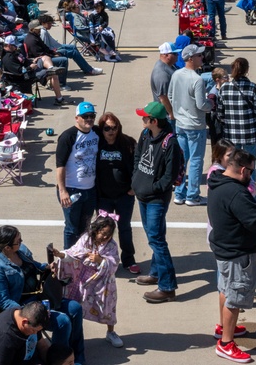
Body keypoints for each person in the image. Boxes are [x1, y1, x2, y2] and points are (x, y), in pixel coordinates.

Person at [0, 226, 85, 365]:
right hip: (24, 308)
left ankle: (76, 357)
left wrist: (46, 267)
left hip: (41, 297)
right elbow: (4, 302)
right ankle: (58, 361)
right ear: (7, 248)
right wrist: (30, 311)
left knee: (75, 308)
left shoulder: (21, 250)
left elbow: (34, 265)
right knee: (63, 322)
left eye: (20, 238)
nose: (21, 242)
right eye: (18, 241)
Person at [207, 148, 256, 364]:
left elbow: (238, 211)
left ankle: (224, 327)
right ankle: (226, 344)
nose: (251, 175)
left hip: (224, 249)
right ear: (243, 170)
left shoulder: (216, 182)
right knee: (234, 297)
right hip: (238, 254)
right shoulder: (236, 192)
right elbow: (253, 221)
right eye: (250, 171)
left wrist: (252, 207)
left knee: (225, 289)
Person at [131, 101, 180, 303]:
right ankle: (155, 272)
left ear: (154, 121)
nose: (142, 119)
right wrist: (136, 179)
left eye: (145, 117)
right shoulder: (145, 135)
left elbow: (170, 176)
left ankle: (167, 287)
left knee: (156, 239)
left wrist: (153, 187)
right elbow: (137, 158)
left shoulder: (171, 143)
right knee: (155, 235)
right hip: (142, 194)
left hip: (156, 198)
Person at [52, 213, 124, 348]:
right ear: (96, 230)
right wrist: (60, 254)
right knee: (74, 306)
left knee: (108, 306)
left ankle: (111, 332)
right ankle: (72, 330)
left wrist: (100, 260)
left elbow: (114, 263)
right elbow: (74, 253)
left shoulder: (111, 245)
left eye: (109, 234)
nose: (106, 237)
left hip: (103, 281)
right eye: (103, 233)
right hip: (81, 279)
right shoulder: (86, 239)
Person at [168, 44, 212, 206]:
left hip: (180, 124)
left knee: (182, 159)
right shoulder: (197, 79)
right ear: (190, 58)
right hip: (195, 126)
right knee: (195, 161)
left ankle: (179, 193)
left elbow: (171, 96)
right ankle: (192, 195)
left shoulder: (176, 74)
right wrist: (211, 103)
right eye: (199, 55)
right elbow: (202, 105)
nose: (202, 57)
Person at [95, 111, 138, 273]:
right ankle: (103, 259)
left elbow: (138, 166)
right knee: (102, 230)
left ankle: (128, 260)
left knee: (125, 228)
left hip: (124, 197)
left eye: (114, 128)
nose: (111, 131)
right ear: (101, 129)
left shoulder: (127, 143)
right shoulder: (97, 144)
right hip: (103, 197)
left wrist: (134, 187)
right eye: (106, 128)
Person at [56, 102, 100, 249]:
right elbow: (60, 165)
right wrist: (63, 191)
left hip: (90, 190)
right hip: (72, 190)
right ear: (77, 118)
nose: (89, 119)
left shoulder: (97, 132)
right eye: (85, 116)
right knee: (71, 228)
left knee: (85, 228)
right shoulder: (68, 136)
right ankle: (68, 260)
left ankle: (81, 258)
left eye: (92, 116)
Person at [217, 57, 256, 157]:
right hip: (250, 133)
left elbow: (220, 114)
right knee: (249, 164)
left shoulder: (224, 88)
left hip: (231, 134)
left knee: (233, 163)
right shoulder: (253, 87)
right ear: (247, 70)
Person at [0, 300, 51, 365]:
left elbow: (43, 346)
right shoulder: (4, 336)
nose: (35, 333)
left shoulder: (29, 317)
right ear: (24, 322)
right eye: (33, 330)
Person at [37, 15, 104, 76]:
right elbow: (46, 47)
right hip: (53, 50)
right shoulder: (43, 32)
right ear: (43, 23)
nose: (50, 25)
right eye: (48, 23)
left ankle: (86, 67)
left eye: (51, 23)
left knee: (73, 47)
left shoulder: (44, 30)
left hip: (56, 46)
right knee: (73, 52)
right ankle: (89, 70)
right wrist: (55, 52)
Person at [149, 42, 178, 119]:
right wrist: (171, 113)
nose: (177, 56)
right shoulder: (161, 73)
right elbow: (163, 97)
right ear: (166, 55)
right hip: (166, 116)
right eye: (175, 54)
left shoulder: (168, 66)